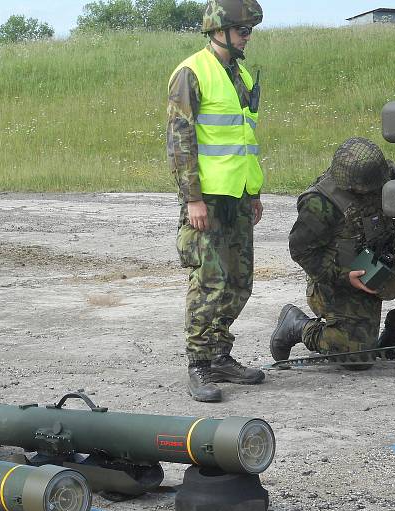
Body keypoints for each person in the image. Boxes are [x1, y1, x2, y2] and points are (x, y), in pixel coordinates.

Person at [167, 0, 265, 402]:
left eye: (249, 30)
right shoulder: (191, 72)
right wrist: (192, 199)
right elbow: (179, 141)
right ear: (219, 29)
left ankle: (220, 354)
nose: (248, 36)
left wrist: (254, 190)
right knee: (209, 282)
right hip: (207, 197)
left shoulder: (239, 72)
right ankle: (199, 365)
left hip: (238, 193)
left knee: (240, 282)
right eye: (243, 29)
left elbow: (244, 136)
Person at [270, 137, 395, 364]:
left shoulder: (386, 178)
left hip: (381, 265)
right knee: (356, 355)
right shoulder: (320, 203)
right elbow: (302, 251)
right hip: (338, 281)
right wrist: (345, 276)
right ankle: (298, 326)